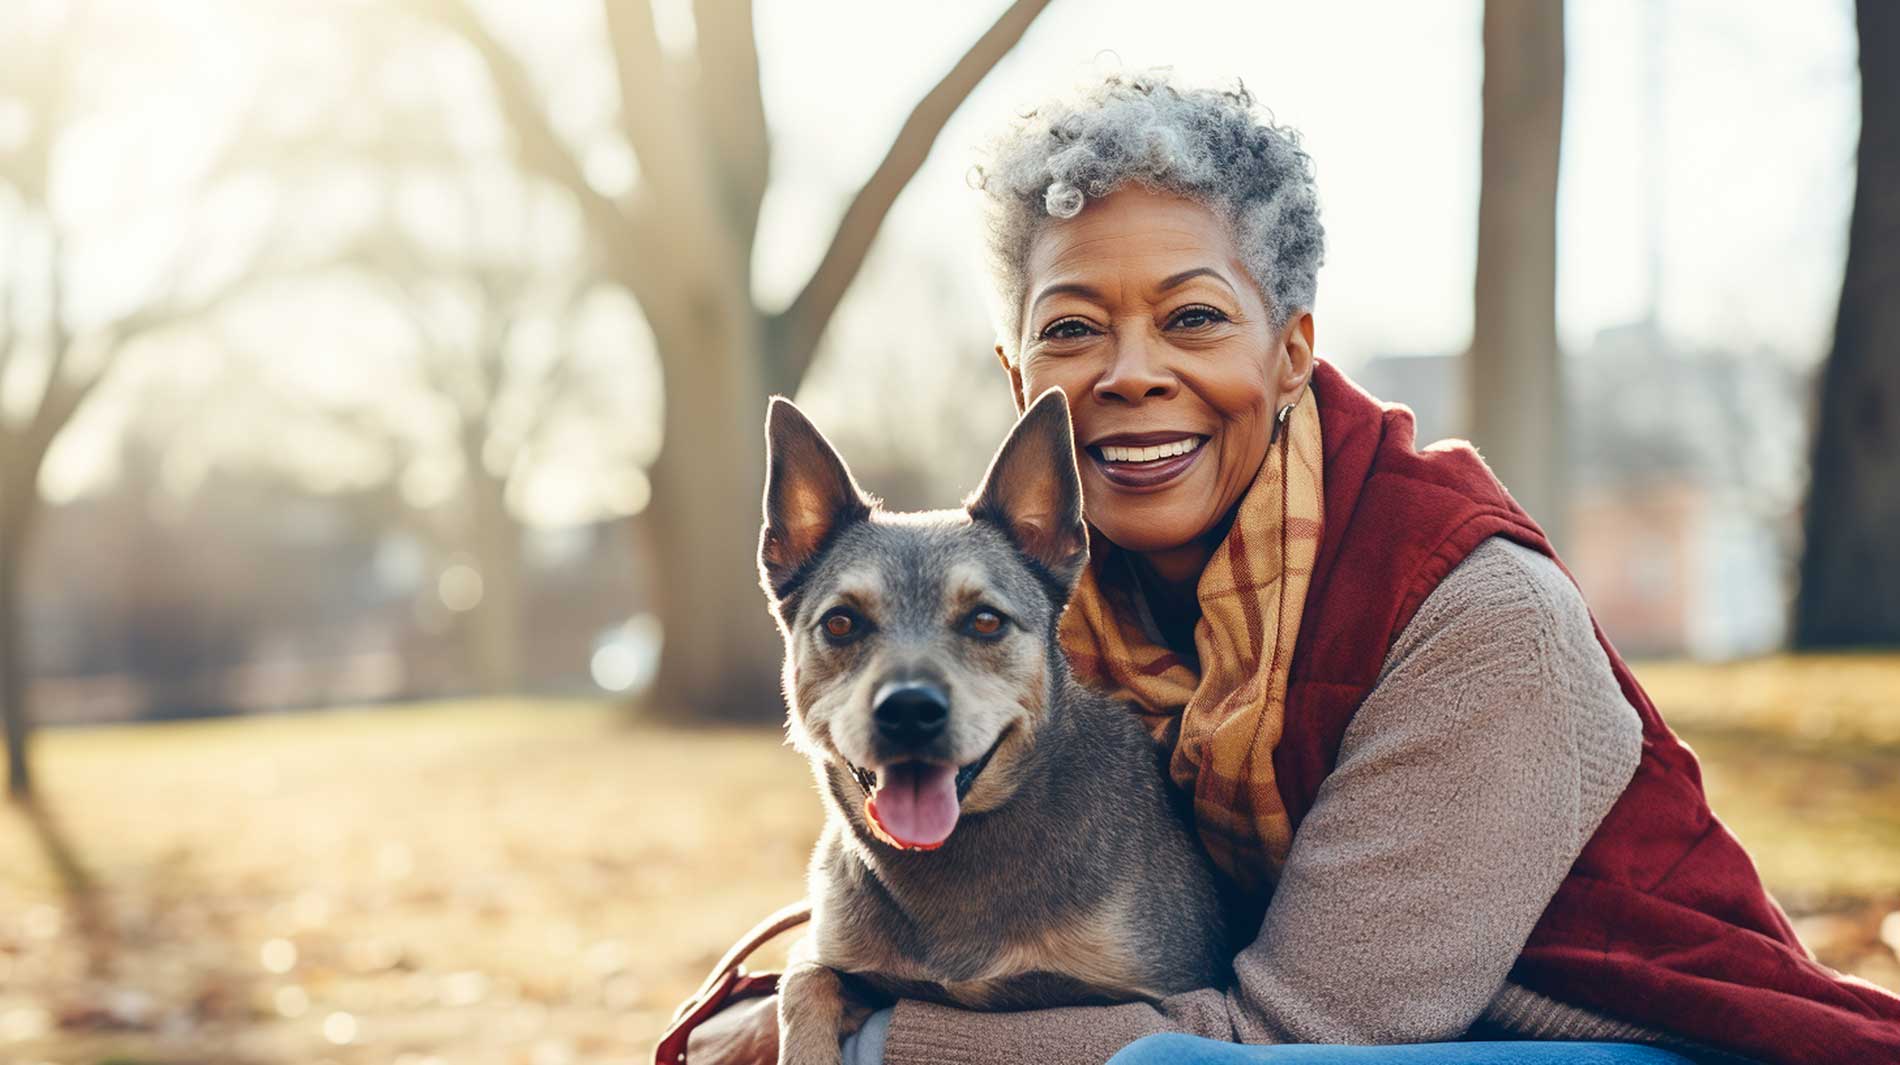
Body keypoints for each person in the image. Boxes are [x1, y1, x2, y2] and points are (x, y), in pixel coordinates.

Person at [690, 72, 1900, 1065]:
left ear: (1291, 354)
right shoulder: (1061, 603)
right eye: (1071, 328)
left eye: (1194, 317)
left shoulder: (1473, 616)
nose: (1128, 372)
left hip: (1630, 1041)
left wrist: (874, 1047)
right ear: (1021, 387)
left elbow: (1283, 1037)